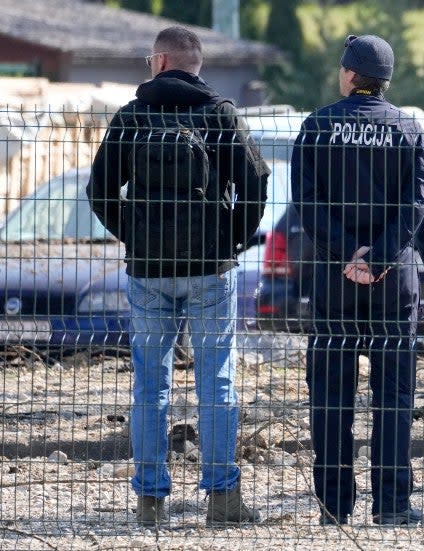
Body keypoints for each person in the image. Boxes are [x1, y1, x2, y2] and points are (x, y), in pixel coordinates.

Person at [87, 26, 269, 527]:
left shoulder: (132, 117)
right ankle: (222, 499)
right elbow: (255, 188)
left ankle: (150, 502)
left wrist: (135, 236)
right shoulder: (220, 114)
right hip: (211, 271)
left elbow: (99, 190)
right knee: (218, 382)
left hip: (148, 272)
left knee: (150, 386)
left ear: (161, 62)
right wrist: (228, 241)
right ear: (196, 64)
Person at [291, 34, 424, 526]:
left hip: (334, 281)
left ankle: (334, 505)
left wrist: (347, 253)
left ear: (349, 75)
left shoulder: (317, 126)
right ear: (385, 80)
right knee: (394, 397)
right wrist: (382, 256)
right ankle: (391, 505)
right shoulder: (407, 128)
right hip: (394, 284)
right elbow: (416, 205)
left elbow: (307, 205)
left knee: (331, 396)